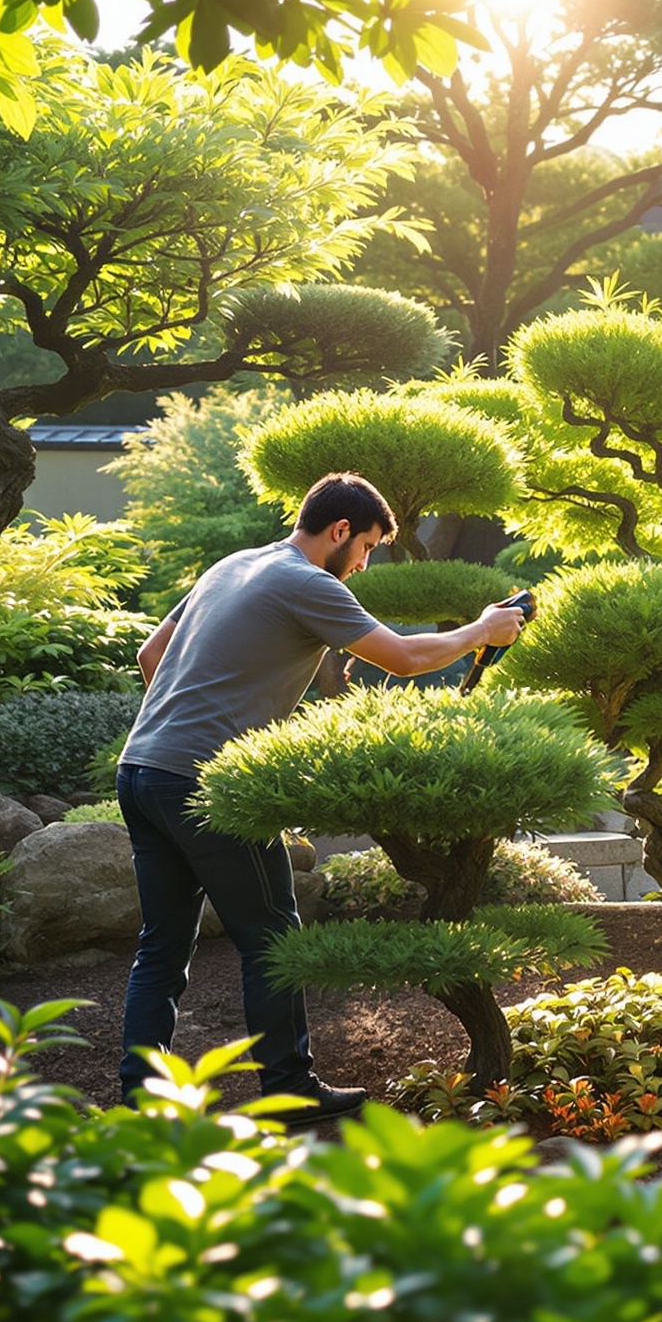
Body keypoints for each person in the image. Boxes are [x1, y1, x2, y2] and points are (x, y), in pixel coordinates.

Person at [117, 471, 527, 1120]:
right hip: (204, 784)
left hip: (140, 767)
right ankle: (288, 1092)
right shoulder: (304, 580)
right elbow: (405, 658)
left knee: (161, 948)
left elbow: (150, 653)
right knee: (274, 938)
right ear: (339, 531)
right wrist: (481, 630)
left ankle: (136, 1105)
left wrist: (181, 730)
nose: (363, 566)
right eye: (364, 549)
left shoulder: (234, 565)